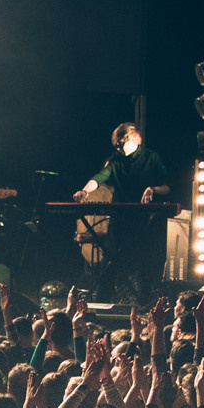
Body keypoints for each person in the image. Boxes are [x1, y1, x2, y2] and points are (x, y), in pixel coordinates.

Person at [75, 123, 172, 299]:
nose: (118, 148)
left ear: (133, 138)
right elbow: (99, 178)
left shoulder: (152, 158)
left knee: (142, 265)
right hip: (119, 220)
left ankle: (145, 303)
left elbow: (166, 186)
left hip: (144, 221)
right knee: (110, 262)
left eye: (121, 144)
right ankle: (102, 303)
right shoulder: (115, 160)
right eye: (116, 146)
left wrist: (152, 189)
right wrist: (84, 191)